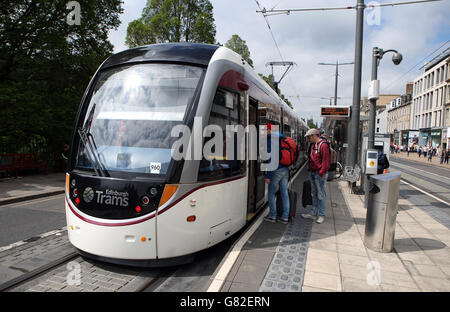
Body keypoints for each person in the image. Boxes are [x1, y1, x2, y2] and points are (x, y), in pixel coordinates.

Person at [301, 129, 330, 224]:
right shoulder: (314, 145)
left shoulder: (323, 145)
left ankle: (321, 215)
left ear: (314, 136)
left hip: (319, 174)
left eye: (309, 137)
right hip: (313, 173)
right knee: (314, 194)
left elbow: (326, 163)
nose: (308, 139)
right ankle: (313, 213)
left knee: (321, 195)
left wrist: (320, 173)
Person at [264, 123, 290, 224]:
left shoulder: (271, 140)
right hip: (285, 169)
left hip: (276, 170)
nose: (264, 133)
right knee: (284, 193)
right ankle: (285, 217)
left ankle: (273, 216)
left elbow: (272, 159)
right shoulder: (282, 138)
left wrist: (268, 176)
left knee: (271, 193)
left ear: (269, 130)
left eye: (265, 130)